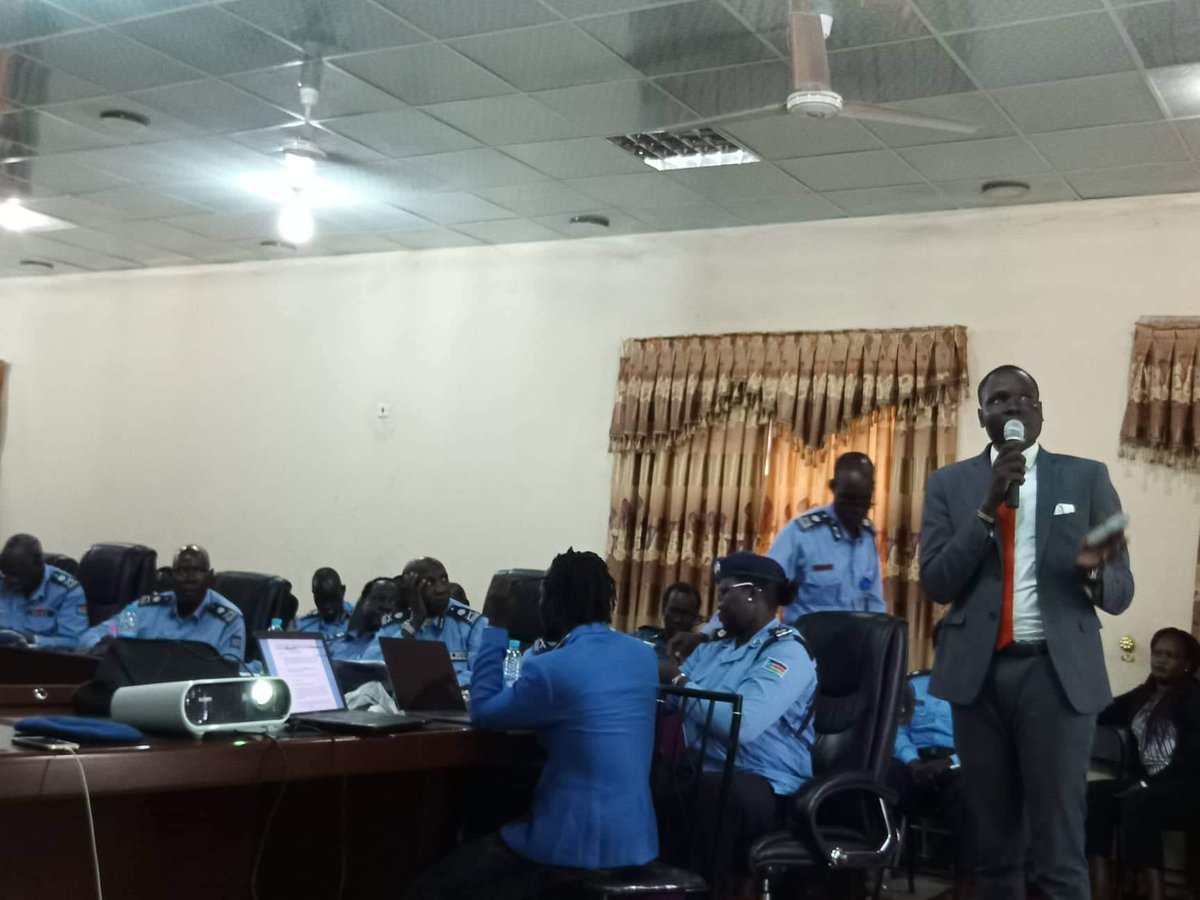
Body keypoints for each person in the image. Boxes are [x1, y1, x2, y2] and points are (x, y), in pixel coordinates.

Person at [919, 364, 1134, 900]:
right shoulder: (950, 484)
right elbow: (939, 582)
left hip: (1055, 677)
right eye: (997, 400)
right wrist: (988, 505)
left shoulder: (1087, 477)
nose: (1011, 407)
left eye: (1022, 398)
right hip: (978, 678)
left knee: (1058, 846)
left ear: (1039, 410)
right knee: (993, 848)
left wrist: (1096, 574)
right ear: (982, 415)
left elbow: (1122, 589)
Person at [403, 548, 659, 900]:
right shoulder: (643, 656)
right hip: (635, 839)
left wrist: (494, 627)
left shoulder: (552, 667)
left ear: (553, 603)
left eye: (542, 598)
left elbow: (484, 713)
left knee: (427, 889)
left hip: (571, 843)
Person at [657, 551, 817, 890]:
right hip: (709, 769)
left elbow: (742, 725)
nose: (717, 606)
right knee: (651, 775)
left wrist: (679, 681)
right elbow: (673, 697)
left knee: (712, 793)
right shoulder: (714, 648)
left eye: (724, 592)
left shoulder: (786, 653)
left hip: (768, 785)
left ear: (753, 593)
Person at [668, 451, 882, 662]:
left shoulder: (866, 537)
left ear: (871, 493)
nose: (855, 509)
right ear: (834, 488)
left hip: (854, 654)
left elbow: (875, 605)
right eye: (848, 499)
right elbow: (755, 586)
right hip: (807, 653)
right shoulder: (803, 533)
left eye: (862, 501)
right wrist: (705, 635)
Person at [1087, 627, 1200, 900]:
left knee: (1140, 801)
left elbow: (1191, 760)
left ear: (1186, 665)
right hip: (1147, 785)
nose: (1161, 660)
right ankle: (1100, 886)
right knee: (1093, 795)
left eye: (1171, 656)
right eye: (1158, 653)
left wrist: (1145, 783)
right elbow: (1104, 710)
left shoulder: (1194, 699)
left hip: (1186, 788)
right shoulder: (1143, 695)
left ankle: (1153, 891)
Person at [80, 545, 246, 662]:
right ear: (172, 576)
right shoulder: (145, 609)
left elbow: (229, 672)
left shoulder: (228, 620)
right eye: (182, 572)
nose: (190, 579)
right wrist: (103, 645)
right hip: (139, 691)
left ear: (210, 577)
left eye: (197, 572)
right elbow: (96, 634)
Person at [890, 670, 970, 900]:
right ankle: (862, 873)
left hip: (956, 763)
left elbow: (982, 740)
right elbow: (898, 729)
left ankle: (965, 883)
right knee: (879, 781)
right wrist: (912, 761)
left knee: (969, 792)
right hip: (913, 761)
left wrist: (949, 763)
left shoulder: (977, 689)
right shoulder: (914, 684)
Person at [391, 557, 486, 685]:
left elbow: (485, 677)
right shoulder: (395, 619)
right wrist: (415, 622)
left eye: (444, 580)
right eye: (429, 583)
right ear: (411, 589)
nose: (441, 589)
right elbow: (378, 670)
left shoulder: (472, 624)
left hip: (457, 701)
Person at [0, 533, 89, 649]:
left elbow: (75, 641)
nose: (8, 581)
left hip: (42, 661)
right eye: (5, 573)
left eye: (17, 575)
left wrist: (33, 640)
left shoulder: (67, 591)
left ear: (39, 566)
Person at [326, 578, 403, 661]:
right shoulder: (333, 644)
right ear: (363, 601)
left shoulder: (397, 643)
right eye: (380, 599)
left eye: (392, 601)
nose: (386, 606)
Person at [633, 582, 702, 658]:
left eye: (685, 614)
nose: (678, 619)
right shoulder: (643, 637)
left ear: (695, 617)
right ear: (663, 610)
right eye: (674, 611)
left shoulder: (702, 652)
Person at [293, 567, 354, 639]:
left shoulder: (360, 621)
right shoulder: (302, 627)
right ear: (314, 595)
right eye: (322, 599)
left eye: (332, 598)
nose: (327, 606)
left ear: (343, 590)